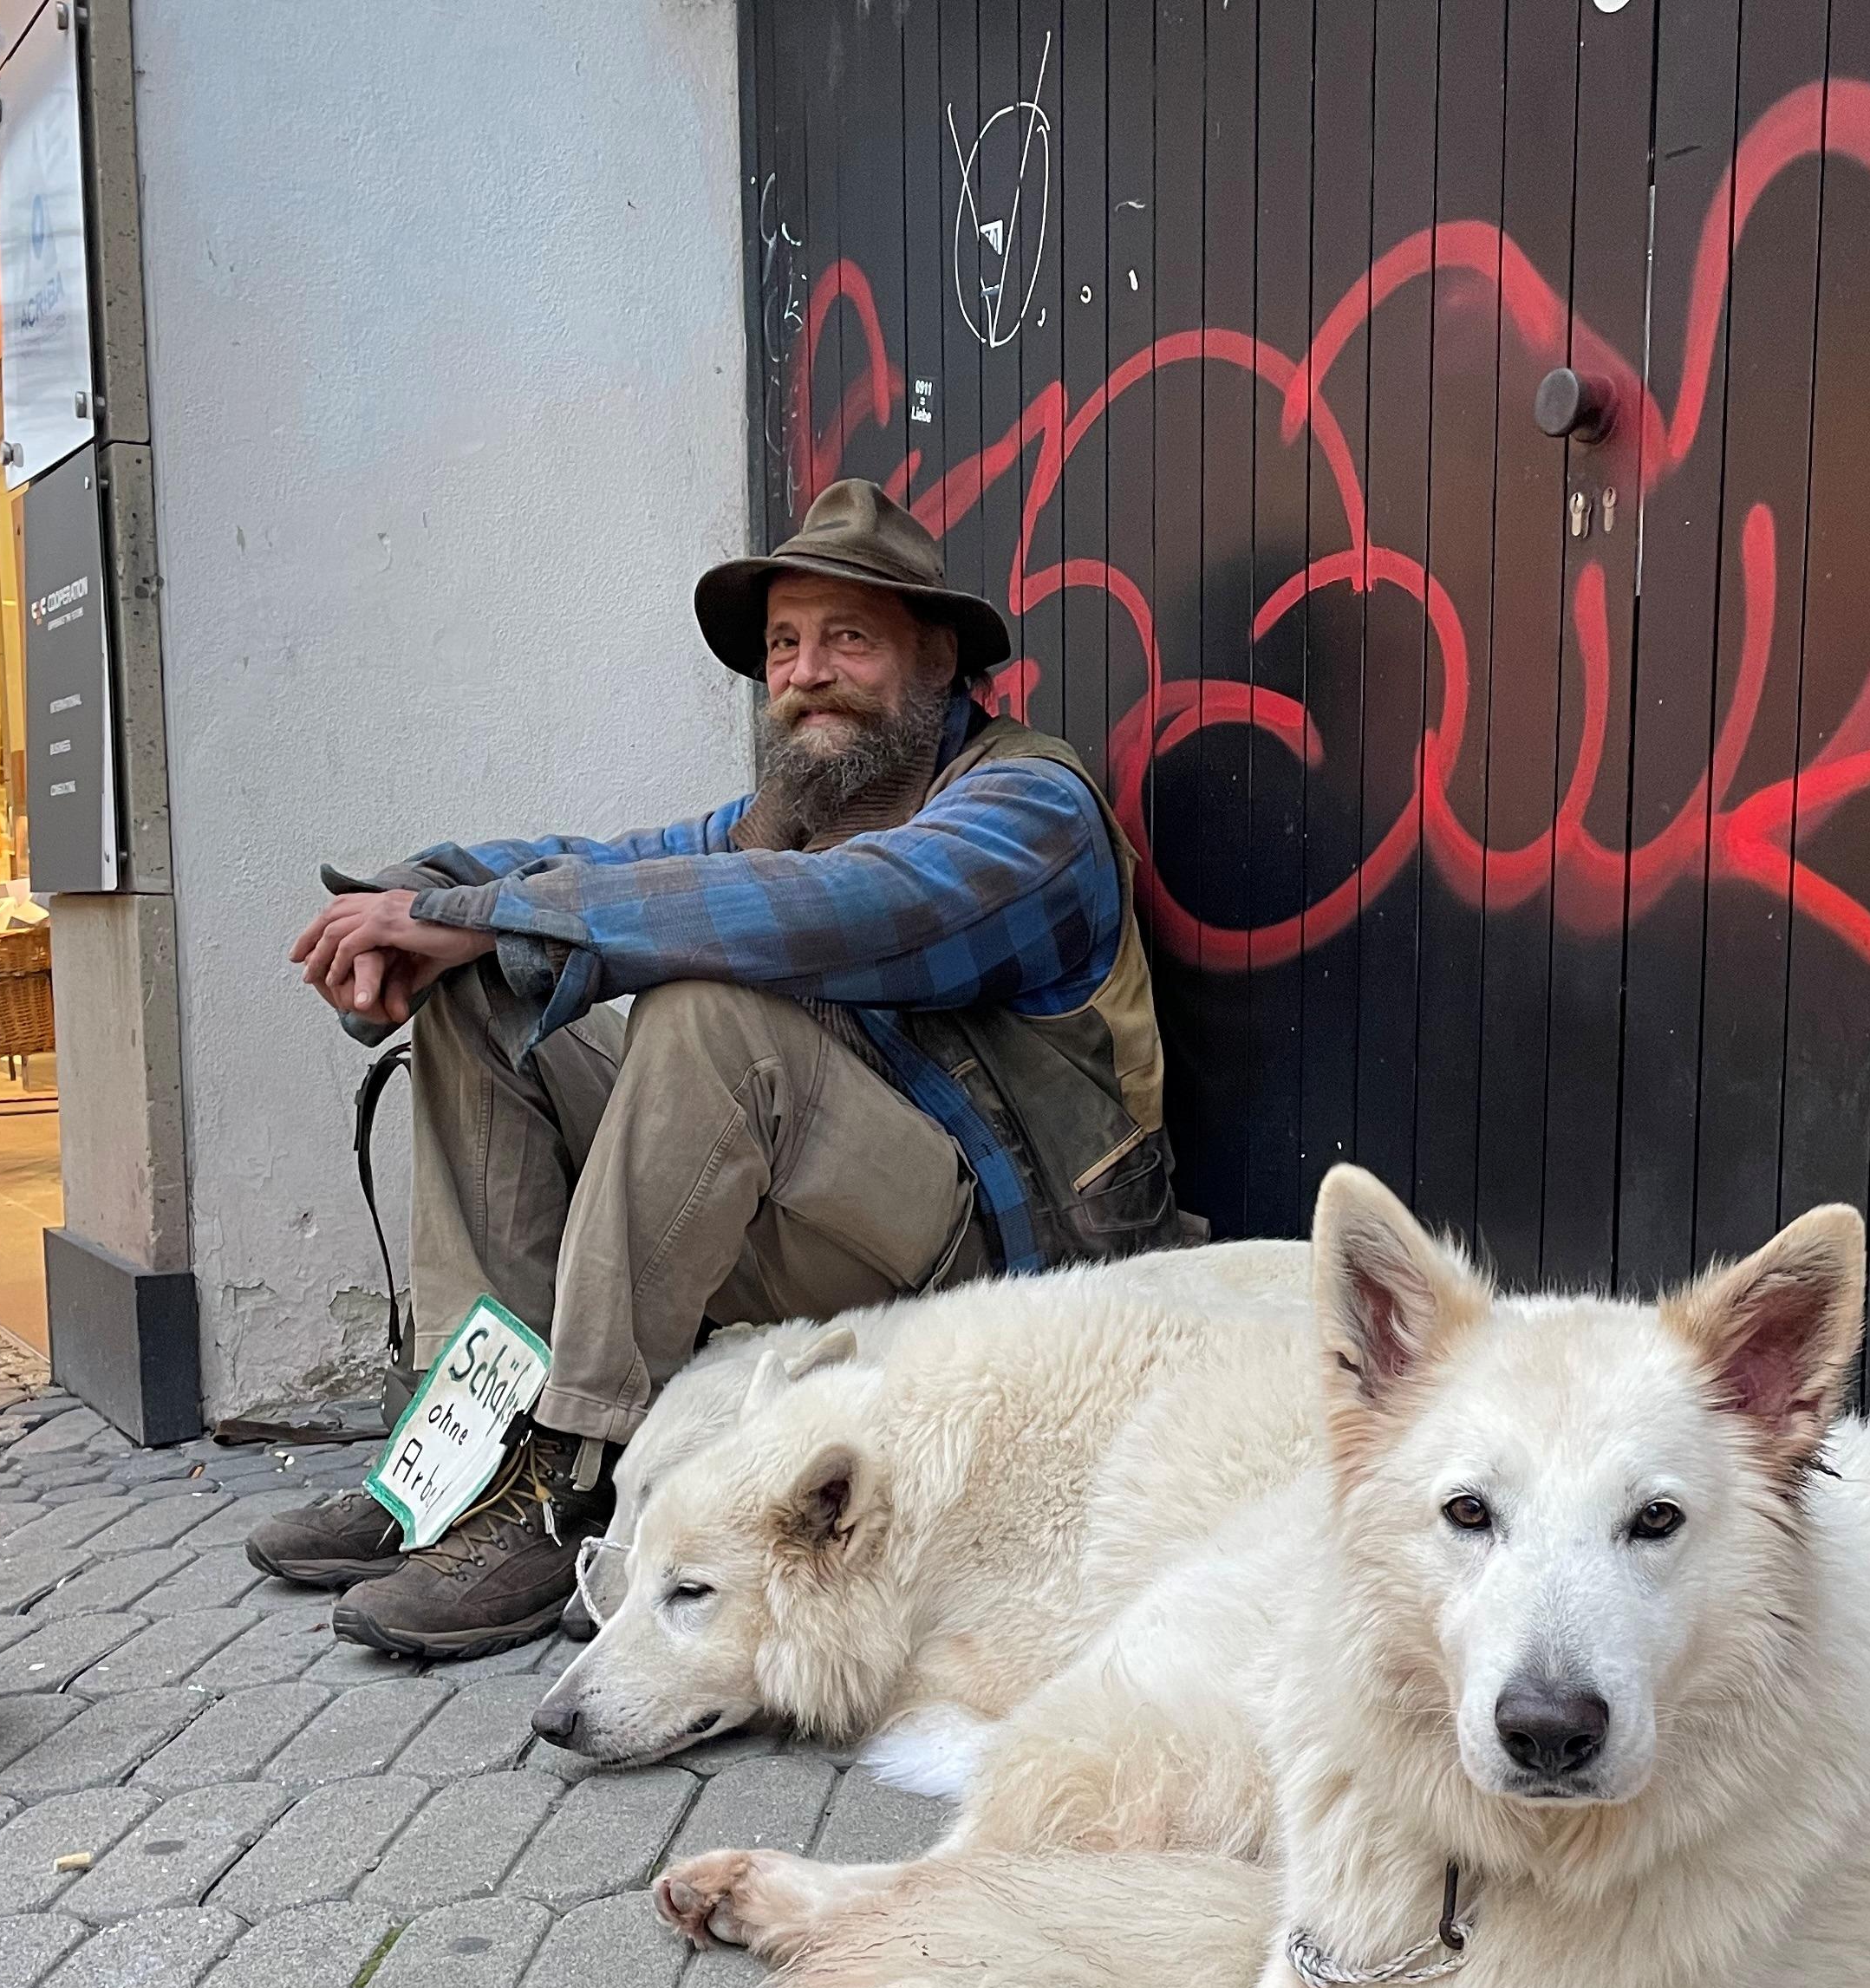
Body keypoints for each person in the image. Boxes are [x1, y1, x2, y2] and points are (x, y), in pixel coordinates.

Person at [246, 481, 1192, 1659]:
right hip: (820, 1221)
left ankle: (570, 1478)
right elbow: (595, 865)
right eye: (784, 646)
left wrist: (483, 916)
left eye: (848, 639)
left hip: (1001, 1255)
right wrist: (417, 904)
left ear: (939, 660)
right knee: (486, 989)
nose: (806, 673)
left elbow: (846, 908)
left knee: (701, 1010)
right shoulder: (784, 818)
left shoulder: (1030, 809)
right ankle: (467, 1448)